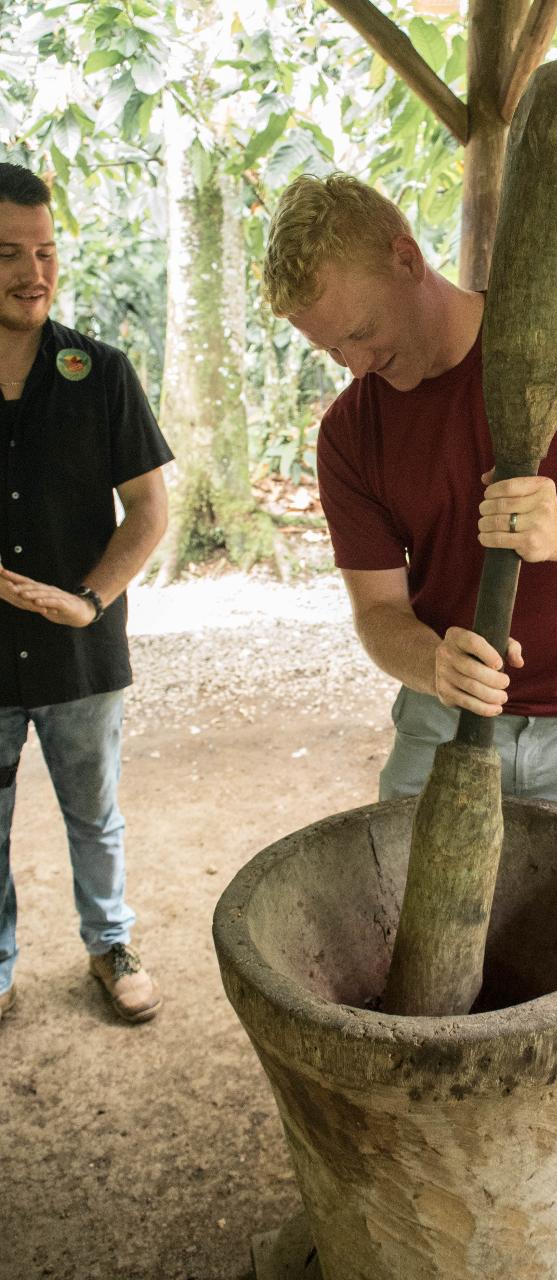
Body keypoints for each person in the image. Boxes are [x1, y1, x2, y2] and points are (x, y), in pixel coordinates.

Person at [263, 173, 557, 853]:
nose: (354, 366)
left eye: (360, 331)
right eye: (330, 350)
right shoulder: (350, 432)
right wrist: (434, 664)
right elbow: (379, 614)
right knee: (402, 925)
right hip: (444, 720)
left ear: (406, 259)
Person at [0, 164, 173, 1024]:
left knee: (94, 816)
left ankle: (110, 945)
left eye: (45, 251)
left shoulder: (99, 372)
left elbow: (148, 508)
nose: (33, 272)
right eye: (8, 254)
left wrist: (89, 601)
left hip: (81, 646)